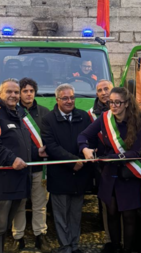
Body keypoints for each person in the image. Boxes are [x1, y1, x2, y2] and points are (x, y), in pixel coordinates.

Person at [79, 87, 141, 253]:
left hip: (130, 173)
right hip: (110, 174)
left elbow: (137, 151)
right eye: (111, 102)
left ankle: (128, 249)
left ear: (126, 104)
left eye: (118, 102)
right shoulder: (105, 118)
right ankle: (116, 247)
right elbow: (83, 136)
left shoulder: (139, 120)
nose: (114, 106)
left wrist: (114, 158)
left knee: (129, 216)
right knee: (112, 213)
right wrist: (84, 149)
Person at [0, 78, 32, 253]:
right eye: (8, 91)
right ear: (0, 94)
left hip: (17, 181)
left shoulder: (18, 114)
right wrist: (11, 159)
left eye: (16, 92)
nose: (13, 95)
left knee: (5, 228)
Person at [41, 83, 94, 253]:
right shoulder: (48, 119)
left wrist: (83, 159)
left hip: (80, 175)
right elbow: (51, 146)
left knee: (76, 214)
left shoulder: (83, 117)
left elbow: (88, 139)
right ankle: (65, 246)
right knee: (61, 215)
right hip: (60, 175)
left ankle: (75, 245)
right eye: (65, 98)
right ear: (57, 100)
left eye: (72, 97)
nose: (69, 101)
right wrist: (73, 161)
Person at [9, 78, 51, 253]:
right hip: (19, 168)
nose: (28, 94)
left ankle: (40, 235)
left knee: (40, 204)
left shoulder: (44, 112)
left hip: (39, 169)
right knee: (18, 204)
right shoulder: (12, 112)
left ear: (35, 92)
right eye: (24, 91)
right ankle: (18, 238)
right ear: (19, 93)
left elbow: (49, 137)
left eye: (31, 91)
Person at [88, 79, 114, 251]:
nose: (104, 93)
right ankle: (110, 237)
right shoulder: (90, 114)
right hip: (101, 163)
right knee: (106, 201)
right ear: (96, 94)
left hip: (120, 161)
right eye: (100, 90)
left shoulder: (122, 109)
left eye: (107, 89)